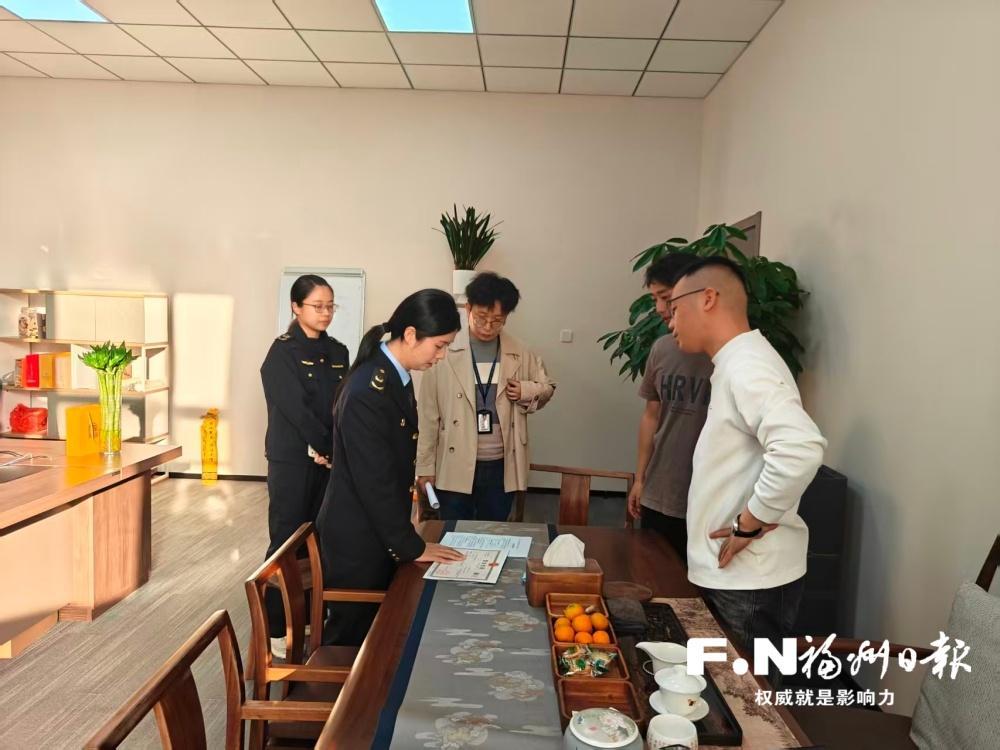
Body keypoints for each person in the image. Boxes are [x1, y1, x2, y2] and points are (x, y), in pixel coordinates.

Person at [667, 256, 826, 668]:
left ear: (708, 298)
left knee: (747, 697)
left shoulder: (748, 365)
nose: (670, 322)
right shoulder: (737, 362)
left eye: (674, 307)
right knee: (726, 688)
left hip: (749, 582)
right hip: (739, 575)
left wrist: (751, 522)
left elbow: (800, 447)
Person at [317, 289, 466, 646]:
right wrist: (412, 546)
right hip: (357, 538)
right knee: (352, 638)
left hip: (377, 530)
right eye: (440, 346)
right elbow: (375, 482)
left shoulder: (394, 376)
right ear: (411, 335)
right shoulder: (368, 389)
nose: (442, 356)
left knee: (381, 632)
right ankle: (333, 684)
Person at [416, 272, 556, 522]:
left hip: (501, 463)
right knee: (454, 530)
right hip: (454, 461)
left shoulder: (520, 351)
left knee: (494, 530)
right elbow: (427, 416)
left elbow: (548, 387)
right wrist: (425, 467)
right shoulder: (443, 350)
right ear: (468, 308)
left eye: (497, 320)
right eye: (481, 318)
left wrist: (525, 391)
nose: (488, 327)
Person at [260, 274, 349, 655]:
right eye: (317, 306)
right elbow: (295, 408)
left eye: (330, 306)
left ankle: (311, 618)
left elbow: (341, 404)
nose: (325, 312)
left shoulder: (339, 351)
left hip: (327, 460)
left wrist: (332, 448)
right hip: (292, 460)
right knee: (287, 541)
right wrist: (322, 444)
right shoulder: (282, 353)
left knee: (321, 539)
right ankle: (275, 628)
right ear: (296, 307)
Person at [626, 253, 713, 565]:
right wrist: (640, 478)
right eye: (655, 299)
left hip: (710, 499)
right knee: (654, 574)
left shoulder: (731, 356)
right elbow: (651, 415)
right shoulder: (662, 349)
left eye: (665, 298)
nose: (660, 309)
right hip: (660, 491)